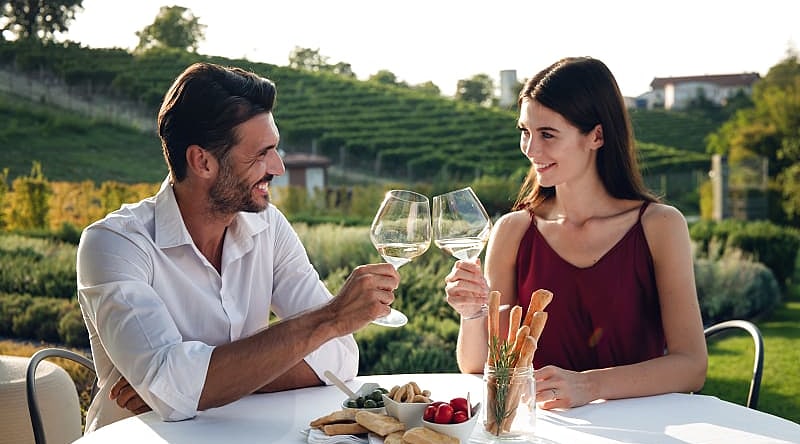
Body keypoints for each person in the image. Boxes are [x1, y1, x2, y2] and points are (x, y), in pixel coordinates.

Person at [76, 62, 400, 431]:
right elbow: (172, 385)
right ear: (202, 161)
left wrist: (203, 384)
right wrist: (327, 319)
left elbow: (339, 356)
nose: (277, 167)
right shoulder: (115, 243)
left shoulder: (269, 226)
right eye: (261, 154)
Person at [443, 57, 707, 410]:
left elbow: (691, 365)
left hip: (641, 431)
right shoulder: (514, 230)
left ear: (596, 136)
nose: (531, 150)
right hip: (545, 430)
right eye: (525, 131)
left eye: (547, 134)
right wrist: (472, 313)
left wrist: (588, 385)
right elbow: (478, 365)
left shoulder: (659, 225)